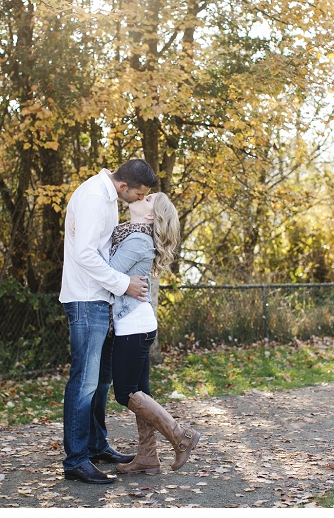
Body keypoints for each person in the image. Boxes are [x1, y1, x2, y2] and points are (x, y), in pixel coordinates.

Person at [59, 159, 158, 484]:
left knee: (100, 382)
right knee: (84, 382)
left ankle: (96, 445)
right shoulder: (92, 197)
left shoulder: (107, 199)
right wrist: (123, 283)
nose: (139, 199)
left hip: (100, 299)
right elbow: (85, 254)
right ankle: (76, 460)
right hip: (86, 299)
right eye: (140, 194)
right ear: (124, 186)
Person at [108, 192, 201, 476]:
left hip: (133, 326)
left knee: (125, 394)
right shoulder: (134, 235)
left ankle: (180, 435)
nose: (141, 196)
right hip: (139, 323)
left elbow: (106, 274)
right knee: (141, 393)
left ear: (151, 216)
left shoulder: (137, 240)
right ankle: (147, 457)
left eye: (148, 199)